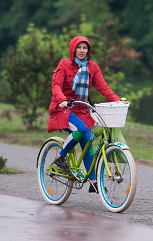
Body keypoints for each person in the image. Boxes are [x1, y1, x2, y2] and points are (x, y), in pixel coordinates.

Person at [47, 36, 120, 194]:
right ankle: (60, 156)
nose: (82, 51)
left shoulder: (92, 67)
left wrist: (117, 101)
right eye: (79, 47)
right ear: (73, 49)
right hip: (64, 109)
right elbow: (56, 86)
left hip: (81, 110)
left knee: (88, 143)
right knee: (80, 130)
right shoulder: (64, 64)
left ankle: (93, 182)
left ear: (88, 50)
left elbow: (103, 88)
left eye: (85, 48)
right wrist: (62, 99)